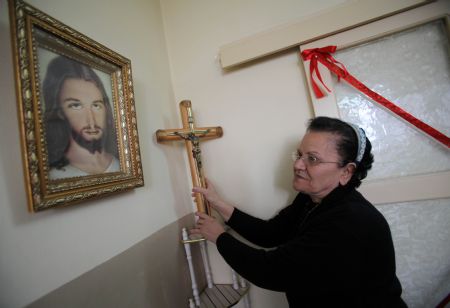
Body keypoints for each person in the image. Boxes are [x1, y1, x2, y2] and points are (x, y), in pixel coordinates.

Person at [191, 116, 407, 307]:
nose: (298, 165)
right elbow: (270, 233)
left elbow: (272, 271)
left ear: (346, 171)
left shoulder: (350, 220)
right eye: (299, 155)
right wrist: (218, 202)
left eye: (312, 159)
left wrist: (219, 236)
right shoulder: (310, 197)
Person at [42, 55, 120, 179]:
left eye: (96, 105)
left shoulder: (121, 165)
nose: (91, 121)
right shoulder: (55, 176)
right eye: (76, 106)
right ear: (60, 112)